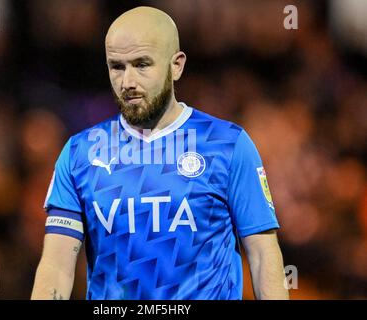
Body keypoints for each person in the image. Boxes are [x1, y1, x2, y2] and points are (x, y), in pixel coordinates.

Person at [31, 6, 289, 300]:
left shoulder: (227, 145)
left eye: (142, 64)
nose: (127, 82)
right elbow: (57, 266)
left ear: (176, 65)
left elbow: (262, 255)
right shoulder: (80, 153)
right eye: (117, 66)